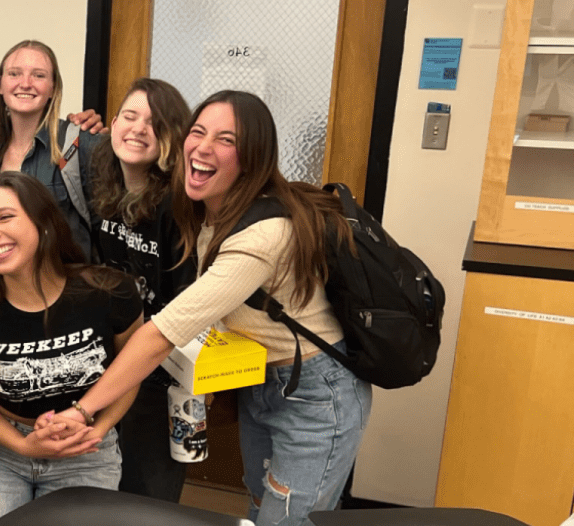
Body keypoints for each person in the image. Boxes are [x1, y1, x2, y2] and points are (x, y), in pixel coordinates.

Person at [52, 90, 371, 526]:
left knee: (287, 521)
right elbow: (140, 166)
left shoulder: (261, 236)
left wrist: (85, 411)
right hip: (264, 380)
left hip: (316, 393)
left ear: (252, 158)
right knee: (261, 506)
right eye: (198, 132)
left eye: (226, 139)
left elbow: (160, 335)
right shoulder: (206, 208)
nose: (203, 147)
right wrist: (87, 127)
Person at [0, 172, 142, 526]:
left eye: (5, 217)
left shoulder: (110, 292)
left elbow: (131, 370)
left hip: (86, 449)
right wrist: (22, 445)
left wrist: (99, 428)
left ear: (42, 222)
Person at [87, 77, 194, 503]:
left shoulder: (179, 202)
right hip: (114, 355)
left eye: (154, 123)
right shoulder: (103, 188)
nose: (137, 129)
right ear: (112, 124)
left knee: (146, 493)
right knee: (105, 482)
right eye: (129, 117)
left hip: (162, 366)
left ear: (172, 137)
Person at [0, 40, 103, 258]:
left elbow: (109, 231)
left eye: (38, 75)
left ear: (53, 88)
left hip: (64, 284)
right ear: (0, 85)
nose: (25, 83)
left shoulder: (79, 144)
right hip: (1, 284)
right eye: (14, 74)